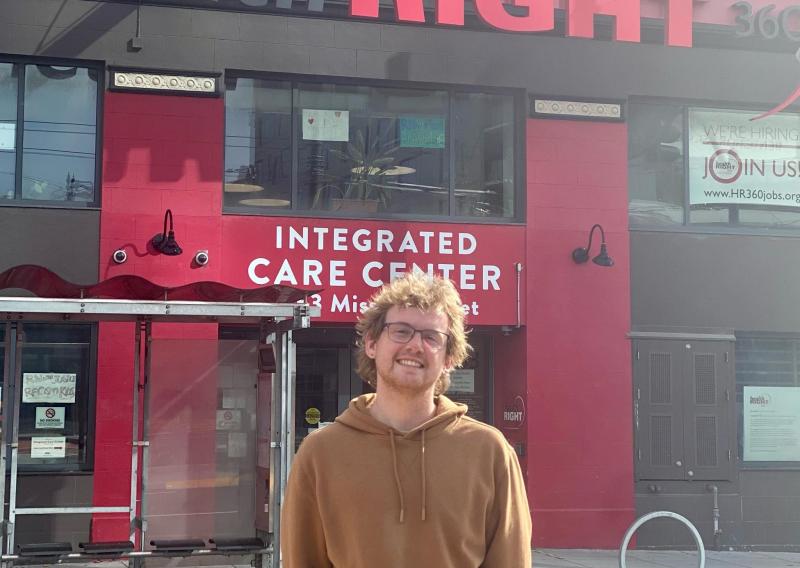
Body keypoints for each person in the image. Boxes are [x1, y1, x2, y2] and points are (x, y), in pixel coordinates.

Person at [281, 272, 532, 567]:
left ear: (449, 358)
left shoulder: (489, 452)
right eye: (401, 331)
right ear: (372, 344)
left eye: (431, 337)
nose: (415, 345)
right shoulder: (320, 453)